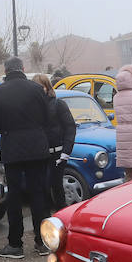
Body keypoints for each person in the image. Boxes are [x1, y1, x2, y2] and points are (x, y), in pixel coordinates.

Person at [0, 57, 53, 258]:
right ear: (23, 69)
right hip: (36, 148)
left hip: (12, 149)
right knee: (38, 195)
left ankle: (15, 245)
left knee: (14, 197)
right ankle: (42, 243)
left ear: (6, 71)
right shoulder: (36, 89)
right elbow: (47, 118)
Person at [33, 74, 76, 211]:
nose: (39, 90)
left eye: (41, 87)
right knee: (42, 189)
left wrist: (66, 152)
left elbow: (70, 127)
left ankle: (61, 217)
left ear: (47, 87)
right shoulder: (32, 108)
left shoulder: (59, 104)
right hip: (40, 154)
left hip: (57, 153)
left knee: (57, 188)